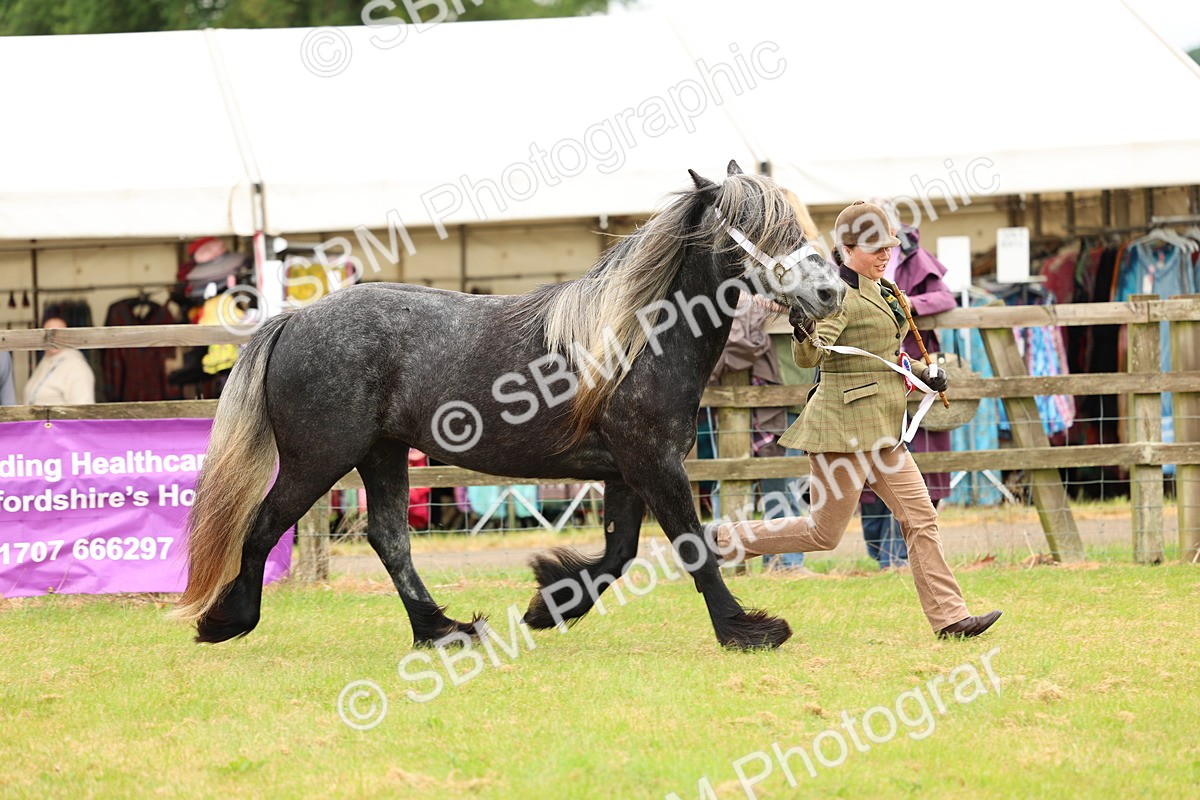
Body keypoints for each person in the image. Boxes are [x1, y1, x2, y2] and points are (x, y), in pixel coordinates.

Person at [708, 201, 1001, 639]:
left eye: (889, 247)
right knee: (822, 534)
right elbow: (811, 356)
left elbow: (885, 356)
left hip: (884, 431)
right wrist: (804, 329)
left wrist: (926, 373)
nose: (886, 255)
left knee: (921, 519)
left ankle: (951, 619)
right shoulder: (837, 295)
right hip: (842, 431)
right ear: (847, 249)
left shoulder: (883, 289)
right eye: (875, 248)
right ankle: (721, 542)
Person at [23, 317, 96, 405]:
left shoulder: (76, 366)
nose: (53, 338)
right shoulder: (47, 360)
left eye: (59, 334)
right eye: (48, 333)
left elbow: (83, 407)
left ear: (68, 337)